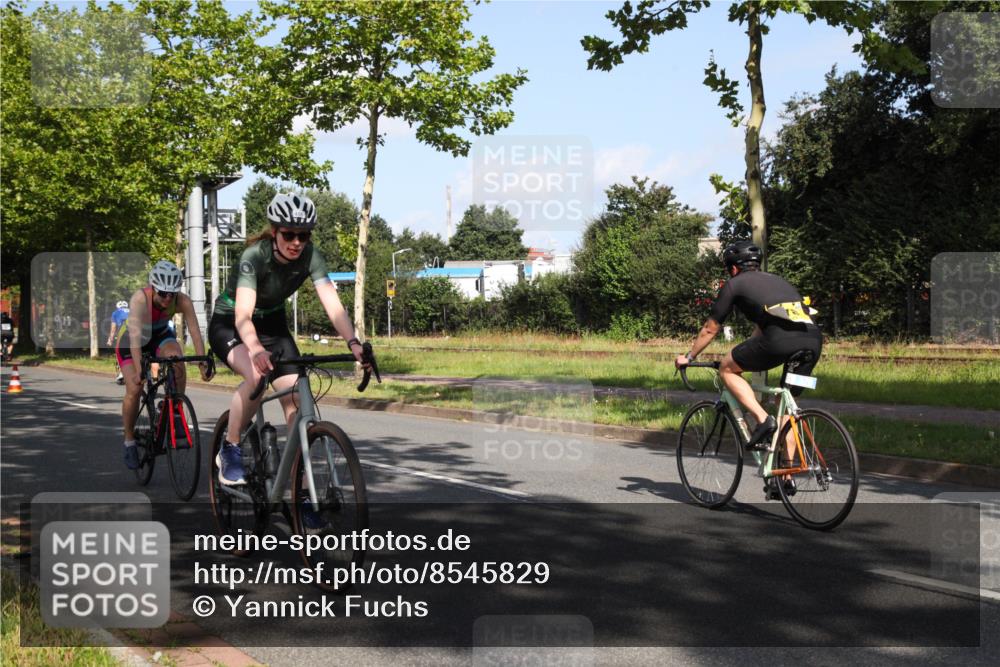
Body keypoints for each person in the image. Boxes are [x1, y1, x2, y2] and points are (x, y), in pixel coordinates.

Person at [208, 192, 368, 488]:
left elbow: (333, 305)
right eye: (290, 234)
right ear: (274, 232)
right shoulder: (254, 256)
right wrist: (255, 349)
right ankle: (229, 448)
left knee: (296, 398)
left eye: (304, 235)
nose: (297, 242)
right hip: (230, 323)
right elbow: (243, 314)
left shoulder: (311, 255)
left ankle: (300, 488)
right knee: (256, 376)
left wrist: (354, 344)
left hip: (273, 325)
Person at [675, 240, 822, 494]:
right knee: (786, 409)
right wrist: (745, 351)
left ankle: (762, 420)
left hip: (779, 341)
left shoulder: (734, 284)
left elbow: (711, 328)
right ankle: (785, 478)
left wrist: (689, 356)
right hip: (813, 341)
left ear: (733, 269)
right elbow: (762, 330)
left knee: (727, 369)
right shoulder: (778, 281)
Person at [117, 260, 213, 470]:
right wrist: (139, 370)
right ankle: (129, 440)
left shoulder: (182, 301)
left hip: (160, 336)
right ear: (153, 288)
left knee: (177, 359)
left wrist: (202, 362)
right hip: (133, 342)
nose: (168, 298)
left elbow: (196, 333)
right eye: (163, 293)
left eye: (172, 293)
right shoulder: (140, 299)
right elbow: (134, 339)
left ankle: (175, 408)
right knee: (134, 388)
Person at [108, 300, 130, 384]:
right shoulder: (132, 311)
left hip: (124, 334)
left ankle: (121, 373)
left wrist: (110, 339)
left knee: (119, 353)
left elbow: (113, 329)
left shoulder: (115, 313)